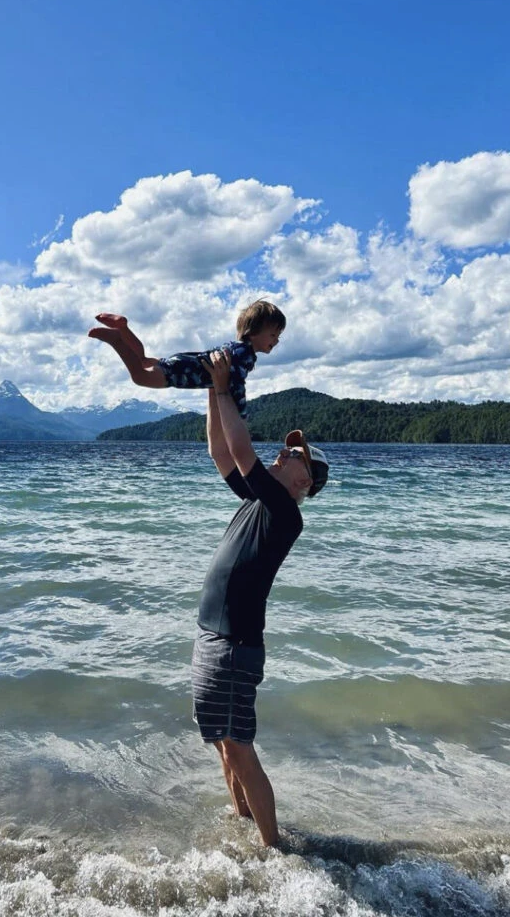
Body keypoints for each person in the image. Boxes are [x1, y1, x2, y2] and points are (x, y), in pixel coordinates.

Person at [191, 348, 329, 847]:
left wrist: (227, 387)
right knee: (224, 746)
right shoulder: (258, 499)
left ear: (303, 480)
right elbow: (221, 452)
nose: (283, 453)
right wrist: (211, 388)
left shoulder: (284, 511)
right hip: (213, 639)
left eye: (292, 455)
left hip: (233, 645)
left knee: (240, 747)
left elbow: (244, 451)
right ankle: (242, 822)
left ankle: (275, 851)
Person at [88, 300, 285, 418]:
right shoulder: (244, 355)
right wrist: (241, 413)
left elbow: (203, 358)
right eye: (272, 335)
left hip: (182, 362)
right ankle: (116, 339)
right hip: (183, 373)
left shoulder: (232, 348)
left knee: (141, 360)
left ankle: (122, 328)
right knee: (140, 377)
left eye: (278, 336)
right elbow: (237, 383)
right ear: (253, 333)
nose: (276, 341)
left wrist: (160, 361)